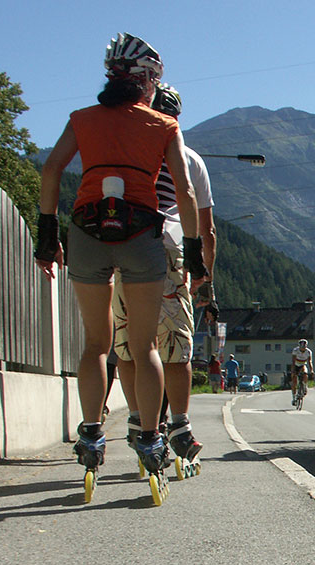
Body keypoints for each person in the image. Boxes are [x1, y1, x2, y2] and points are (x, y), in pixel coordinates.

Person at [34, 33, 205, 478]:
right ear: (147, 80)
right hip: (140, 232)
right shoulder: (162, 125)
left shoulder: (82, 118)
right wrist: (194, 254)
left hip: (86, 231)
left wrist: (46, 235)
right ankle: (150, 439)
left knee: (96, 344)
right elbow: (184, 191)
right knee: (146, 344)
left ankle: (91, 433)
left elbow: (52, 168)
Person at [111, 83, 215, 467]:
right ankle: (179, 425)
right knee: (175, 347)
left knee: (129, 343)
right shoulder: (189, 159)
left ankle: (138, 419)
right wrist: (204, 274)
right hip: (170, 250)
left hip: (126, 247)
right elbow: (207, 228)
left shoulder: (125, 151)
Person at [291, 339, 313, 406]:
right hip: (296, 365)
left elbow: (309, 362)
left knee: (305, 374)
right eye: (302, 348)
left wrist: (311, 370)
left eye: (304, 348)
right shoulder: (295, 351)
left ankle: (305, 385)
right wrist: (293, 371)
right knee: (294, 381)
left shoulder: (308, 352)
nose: (303, 349)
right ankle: (294, 397)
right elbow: (293, 361)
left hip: (303, 365)